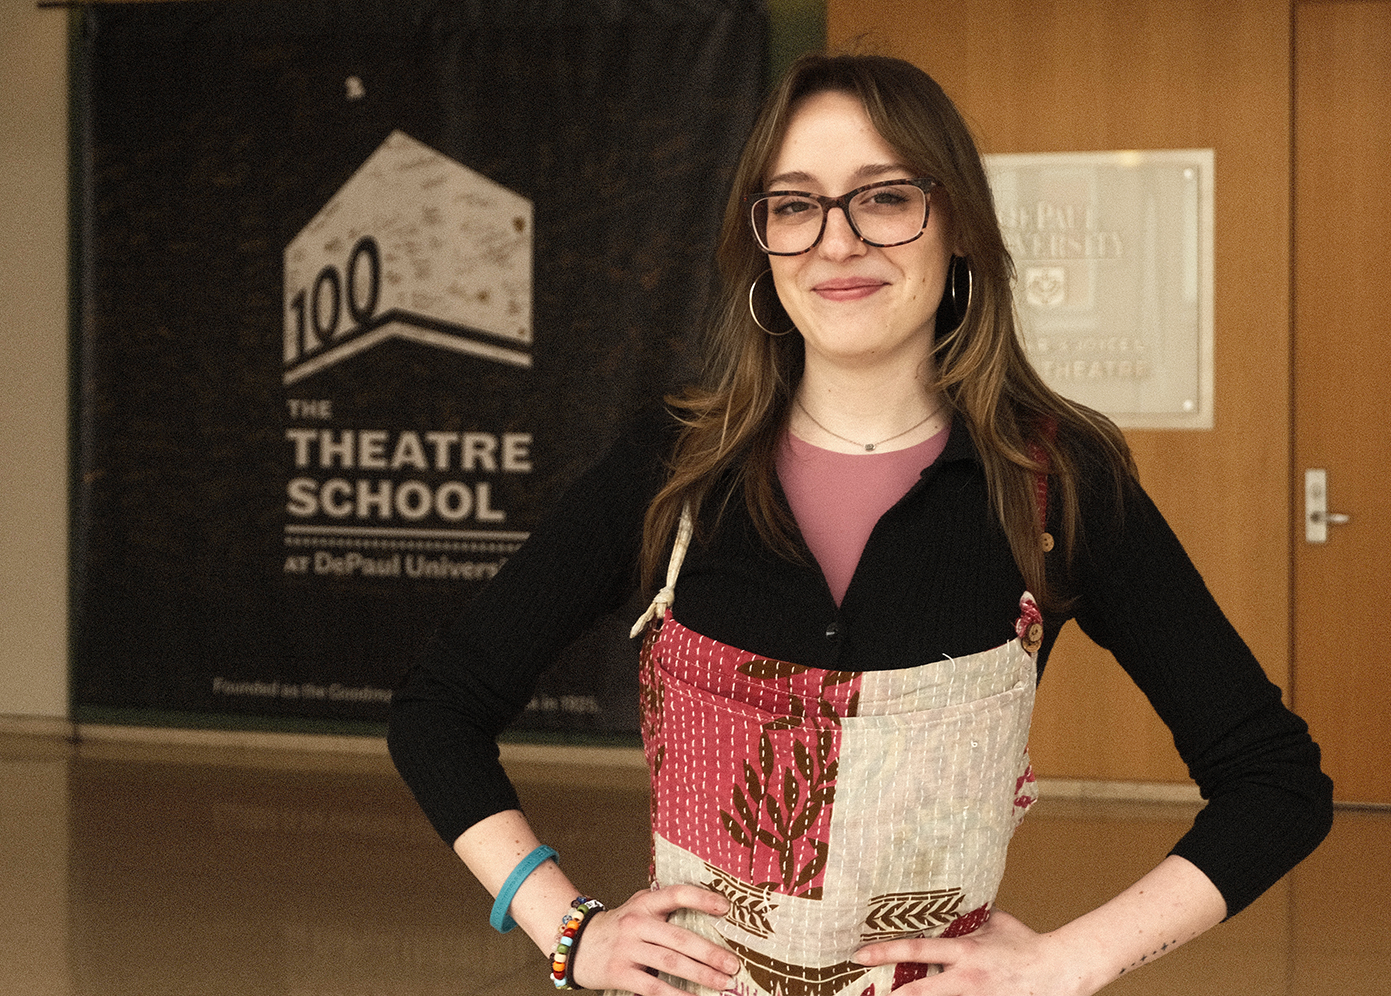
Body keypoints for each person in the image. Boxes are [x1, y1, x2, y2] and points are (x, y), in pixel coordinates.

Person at [388, 53, 1332, 996]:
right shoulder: (673, 465)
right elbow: (439, 709)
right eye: (795, 206)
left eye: (883, 198)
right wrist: (570, 932)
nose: (835, 243)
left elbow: (1276, 784)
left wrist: (1066, 962)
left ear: (955, 221)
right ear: (761, 241)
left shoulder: (1054, 481)